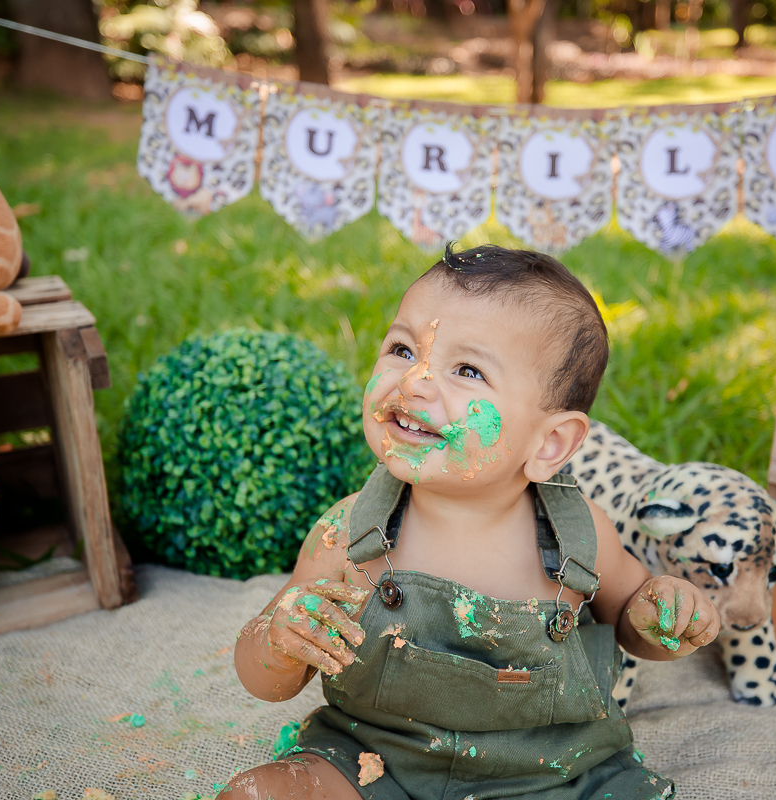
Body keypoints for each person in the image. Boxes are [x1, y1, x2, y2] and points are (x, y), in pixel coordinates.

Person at [220, 244, 722, 800]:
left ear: (550, 442)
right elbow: (263, 678)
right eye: (404, 349)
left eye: (467, 370)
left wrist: (660, 616)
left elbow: (631, 618)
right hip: (374, 762)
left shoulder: (577, 536)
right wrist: (283, 639)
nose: (415, 382)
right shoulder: (348, 531)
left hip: (555, 775)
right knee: (259, 793)